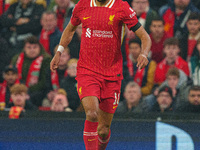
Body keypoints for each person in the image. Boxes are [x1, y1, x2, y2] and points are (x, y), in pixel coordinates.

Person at [50, 0, 151, 149]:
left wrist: (144, 53)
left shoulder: (121, 7)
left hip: (112, 75)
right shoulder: (82, 5)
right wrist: (59, 51)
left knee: (103, 130)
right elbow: (70, 29)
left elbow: (145, 37)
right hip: (87, 71)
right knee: (91, 113)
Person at [11, 36, 51, 107]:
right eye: (29, 47)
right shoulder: (16, 59)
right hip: (18, 90)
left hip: (39, 91)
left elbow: (44, 81)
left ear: (39, 47)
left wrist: (27, 91)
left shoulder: (46, 59)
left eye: (35, 47)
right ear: (24, 48)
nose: (32, 50)